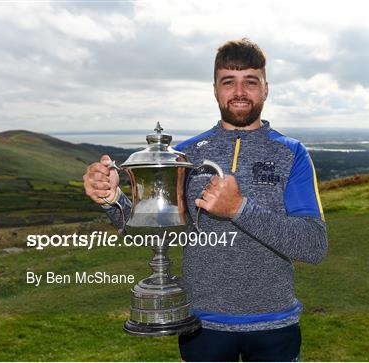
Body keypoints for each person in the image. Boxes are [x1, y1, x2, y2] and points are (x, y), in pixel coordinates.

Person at [83, 38, 328, 362]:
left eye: (250, 82)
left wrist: (239, 208)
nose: (239, 92)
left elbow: (314, 245)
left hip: (275, 324)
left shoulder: (291, 153)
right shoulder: (184, 156)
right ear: (215, 89)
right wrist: (113, 199)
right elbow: (157, 232)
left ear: (265, 89)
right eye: (229, 82)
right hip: (200, 325)